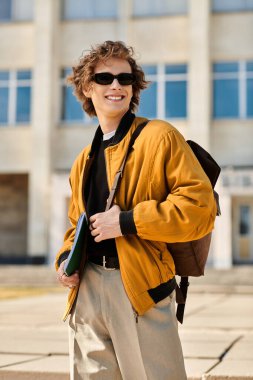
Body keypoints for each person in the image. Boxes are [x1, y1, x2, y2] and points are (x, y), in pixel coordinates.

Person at [55, 40, 216, 380]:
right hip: (86, 290)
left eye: (124, 79)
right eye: (105, 78)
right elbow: (76, 226)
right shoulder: (83, 160)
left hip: (140, 291)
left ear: (133, 87)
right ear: (87, 87)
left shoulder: (160, 137)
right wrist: (65, 259)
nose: (116, 85)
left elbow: (200, 207)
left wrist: (127, 222)